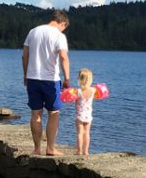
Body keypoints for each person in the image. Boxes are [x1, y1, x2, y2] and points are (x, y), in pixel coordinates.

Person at [22, 10, 71, 156]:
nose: (64, 30)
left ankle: (37, 149)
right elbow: (63, 57)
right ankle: (50, 148)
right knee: (54, 113)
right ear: (62, 23)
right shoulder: (59, 36)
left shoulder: (33, 32)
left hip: (33, 79)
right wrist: (67, 79)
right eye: (64, 27)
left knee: (35, 114)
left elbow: (24, 56)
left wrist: (26, 75)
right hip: (51, 80)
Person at [74, 68, 96, 155]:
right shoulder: (93, 90)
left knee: (80, 133)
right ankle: (86, 151)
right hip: (88, 115)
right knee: (87, 133)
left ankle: (79, 151)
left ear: (79, 79)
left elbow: (70, 99)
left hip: (79, 115)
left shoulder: (77, 91)